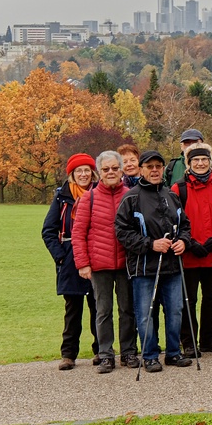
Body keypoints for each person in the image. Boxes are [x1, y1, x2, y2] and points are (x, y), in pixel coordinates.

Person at [114, 150, 194, 373]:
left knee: (176, 310)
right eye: (150, 167)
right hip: (144, 267)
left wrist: (183, 242)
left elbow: (185, 225)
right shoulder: (131, 197)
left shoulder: (172, 195)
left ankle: (173, 353)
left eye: (158, 166)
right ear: (141, 170)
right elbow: (122, 231)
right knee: (145, 312)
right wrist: (150, 244)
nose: (155, 170)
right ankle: (149, 355)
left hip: (173, 266)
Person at [71, 150, 138, 372]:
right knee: (103, 311)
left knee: (128, 310)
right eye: (105, 169)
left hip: (127, 263)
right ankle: (106, 353)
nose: (110, 172)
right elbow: (79, 233)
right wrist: (82, 263)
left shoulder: (131, 195)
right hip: (99, 265)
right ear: (99, 172)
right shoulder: (87, 199)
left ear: (121, 170)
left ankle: (128, 352)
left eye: (114, 168)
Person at [171, 143, 212, 357]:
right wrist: (189, 242)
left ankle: (208, 338)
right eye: (195, 160)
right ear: (188, 163)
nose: (200, 163)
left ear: (210, 161)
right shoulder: (179, 189)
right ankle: (188, 341)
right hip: (189, 254)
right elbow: (173, 221)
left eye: (204, 159)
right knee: (189, 299)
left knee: (211, 297)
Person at [42, 153, 99, 370]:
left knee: (98, 307)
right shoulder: (62, 197)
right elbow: (48, 230)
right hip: (69, 258)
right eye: (79, 171)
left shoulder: (99, 193)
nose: (83, 174)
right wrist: (61, 255)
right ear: (72, 174)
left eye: (87, 170)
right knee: (73, 309)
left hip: (95, 256)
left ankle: (101, 350)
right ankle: (68, 354)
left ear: (92, 172)